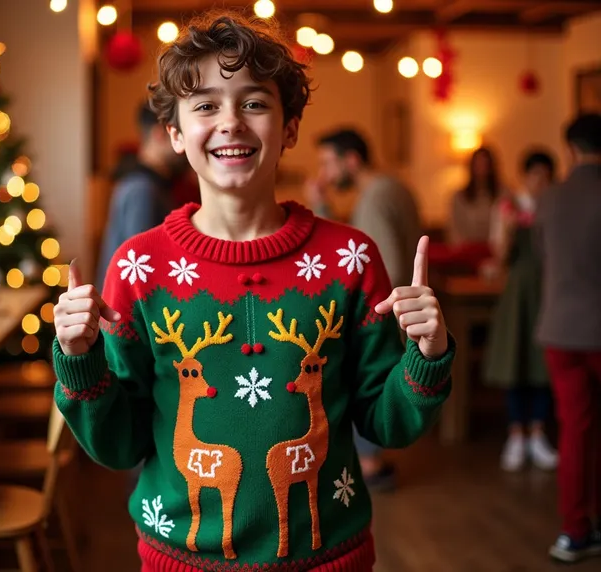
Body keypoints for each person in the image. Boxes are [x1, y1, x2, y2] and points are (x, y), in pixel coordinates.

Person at [53, 12, 455, 571]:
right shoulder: (139, 267)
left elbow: (385, 423)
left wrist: (427, 356)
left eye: (255, 103)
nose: (231, 123)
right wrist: (78, 361)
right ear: (175, 134)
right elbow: (118, 445)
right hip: (179, 561)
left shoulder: (352, 259)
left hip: (330, 558)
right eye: (205, 106)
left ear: (289, 127)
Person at [310, 128, 422, 491]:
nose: (325, 172)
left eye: (329, 162)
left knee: (365, 380)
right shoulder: (395, 187)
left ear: (352, 160)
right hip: (403, 312)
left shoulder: (375, 197)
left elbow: (380, 266)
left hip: (385, 314)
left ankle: (370, 466)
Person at [535, 113, 601, 564]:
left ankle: (574, 532)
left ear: (571, 149)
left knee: (575, 431)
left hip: (559, 327)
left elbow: (543, 257)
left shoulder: (549, 198)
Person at [483, 151, 557, 472]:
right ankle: (516, 435)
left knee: (542, 364)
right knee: (514, 361)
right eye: (535, 174)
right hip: (517, 295)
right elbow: (498, 257)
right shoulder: (508, 207)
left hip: (549, 292)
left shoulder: (555, 208)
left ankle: (539, 433)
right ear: (525, 175)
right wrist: (509, 230)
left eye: (545, 176)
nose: (540, 181)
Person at [95, 102, 190, 289]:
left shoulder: (151, 185)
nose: (184, 147)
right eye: (179, 134)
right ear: (160, 134)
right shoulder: (142, 190)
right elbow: (139, 268)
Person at [448, 147, 501, 247]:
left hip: (495, 253)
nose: (481, 169)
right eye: (478, 164)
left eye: (485, 164)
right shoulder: (459, 197)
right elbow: (453, 232)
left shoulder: (502, 194)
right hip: (466, 252)